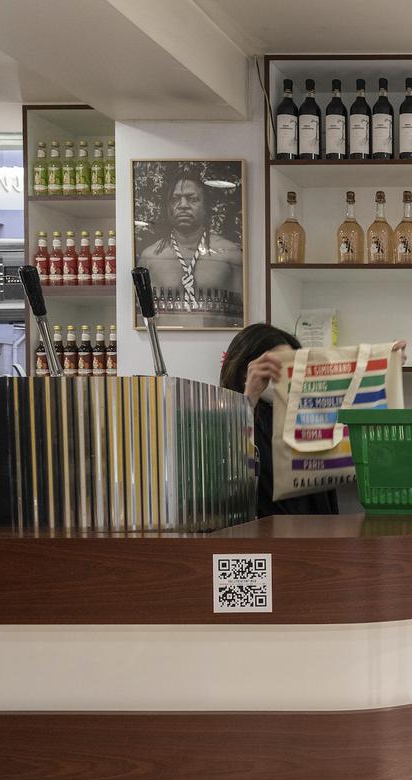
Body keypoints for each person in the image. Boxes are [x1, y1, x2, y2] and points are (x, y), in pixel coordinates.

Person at [219, 324, 338, 518]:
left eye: (294, 366)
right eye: (276, 366)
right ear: (245, 370)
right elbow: (227, 475)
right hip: (261, 539)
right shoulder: (232, 421)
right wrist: (249, 398)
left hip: (318, 537)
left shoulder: (310, 419)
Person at [138, 167, 242, 321]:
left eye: (192, 199)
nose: (183, 205)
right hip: (164, 344)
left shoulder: (230, 253)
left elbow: (242, 317)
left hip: (217, 344)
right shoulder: (150, 257)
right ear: (168, 209)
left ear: (205, 207)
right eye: (175, 199)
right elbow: (140, 318)